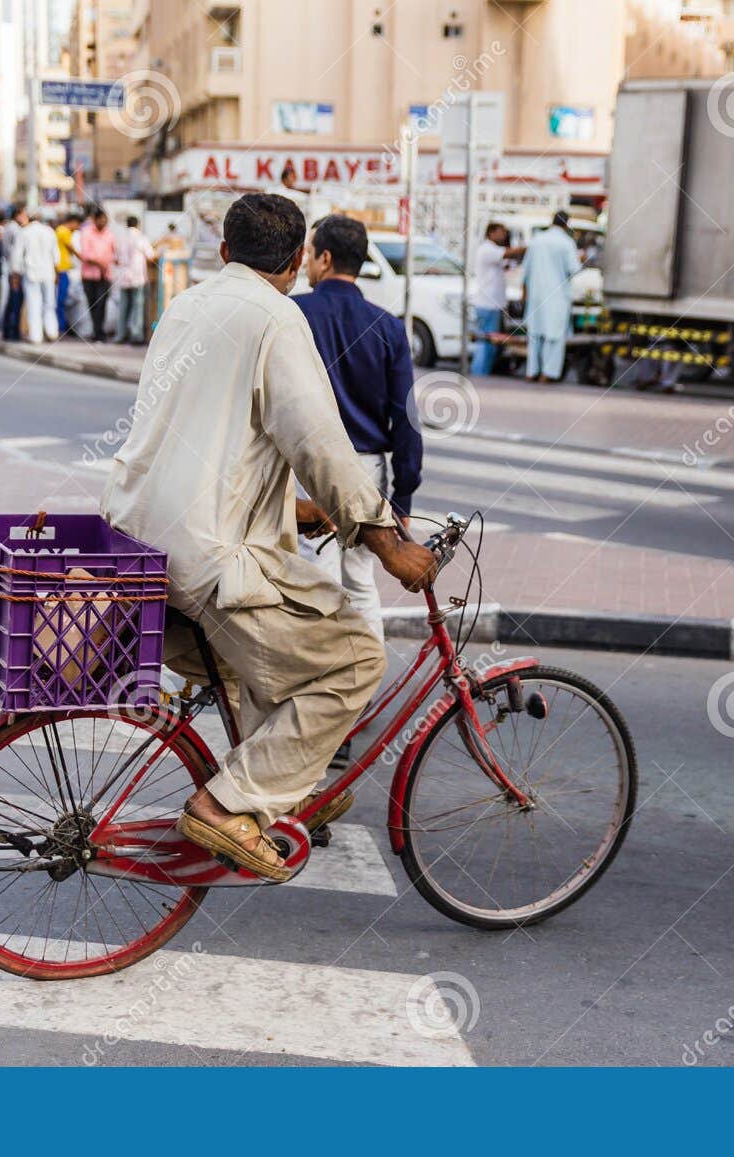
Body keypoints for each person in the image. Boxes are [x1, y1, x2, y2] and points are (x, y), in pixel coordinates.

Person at [100, 193, 437, 882]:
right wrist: (385, 539)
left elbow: (218, 436)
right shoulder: (276, 318)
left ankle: (274, 788)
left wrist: (298, 510)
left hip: (136, 542)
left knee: (264, 660)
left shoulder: (188, 305)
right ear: (292, 263)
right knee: (353, 658)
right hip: (206, 556)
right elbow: (316, 442)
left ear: (225, 252)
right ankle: (229, 805)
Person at [293, 214, 422, 642]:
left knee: (316, 582)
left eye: (310, 254)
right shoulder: (387, 326)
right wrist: (403, 495)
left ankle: (321, 692)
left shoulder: (293, 315)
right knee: (361, 582)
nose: (307, 263)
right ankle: (364, 686)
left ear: (325, 258)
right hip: (367, 471)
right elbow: (406, 418)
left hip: (306, 468)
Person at [521, 210, 582, 383]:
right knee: (554, 337)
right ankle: (547, 373)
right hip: (557, 297)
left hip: (536, 296)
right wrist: (582, 257)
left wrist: (524, 294)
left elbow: (525, 270)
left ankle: (531, 371)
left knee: (535, 335)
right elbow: (574, 269)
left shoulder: (537, 239)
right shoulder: (566, 242)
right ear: (567, 223)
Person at [471, 221, 522, 376]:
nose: (504, 235)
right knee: (486, 343)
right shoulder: (487, 249)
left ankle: (482, 374)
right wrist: (531, 247)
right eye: (501, 232)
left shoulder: (493, 250)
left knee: (492, 344)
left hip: (493, 305)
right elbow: (508, 254)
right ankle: (479, 376)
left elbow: (507, 263)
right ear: (491, 233)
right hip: (487, 305)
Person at [111, 215, 155, 344]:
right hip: (137, 277)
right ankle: (136, 335)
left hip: (123, 276)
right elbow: (150, 255)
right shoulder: (141, 238)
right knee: (138, 306)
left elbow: (116, 259)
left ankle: (120, 335)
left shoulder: (120, 238)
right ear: (138, 225)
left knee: (124, 306)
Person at [20, 211, 61, 343]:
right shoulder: (49, 231)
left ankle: (36, 336)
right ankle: (52, 332)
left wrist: (15, 273)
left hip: (31, 273)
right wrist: (57, 273)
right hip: (48, 272)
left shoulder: (25, 232)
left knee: (34, 304)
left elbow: (17, 255)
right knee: (49, 303)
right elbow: (56, 256)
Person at [79, 209, 116, 341]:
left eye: (105, 220)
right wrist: (99, 263)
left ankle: (99, 332)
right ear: (95, 219)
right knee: (93, 303)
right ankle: (96, 330)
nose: (104, 222)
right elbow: (85, 254)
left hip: (105, 275)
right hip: (89, 275)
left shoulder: (109, 234)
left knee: (102, 303)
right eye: (101, 219)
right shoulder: (86, 232)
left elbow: (114, 253)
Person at [0, 205, 28, 341]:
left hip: (12, 269)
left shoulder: (9, 228)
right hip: (15, 271)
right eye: (24, 214)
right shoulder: (15, 229)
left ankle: (7, 330)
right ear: (18, 215)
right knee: (15, 302)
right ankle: (13, 332)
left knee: (12, 301)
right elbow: (14, 252)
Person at [54, 209, 82, 334]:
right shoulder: (64, 231)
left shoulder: (60, 230)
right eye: (78, 224)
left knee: (61, 299)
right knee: (60, 300)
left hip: (62, 269)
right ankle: (61, 327)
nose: (78, 227)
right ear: (73, 222)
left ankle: (61, 326)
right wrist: (85, 259)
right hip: (61, 270)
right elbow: (72, 249)